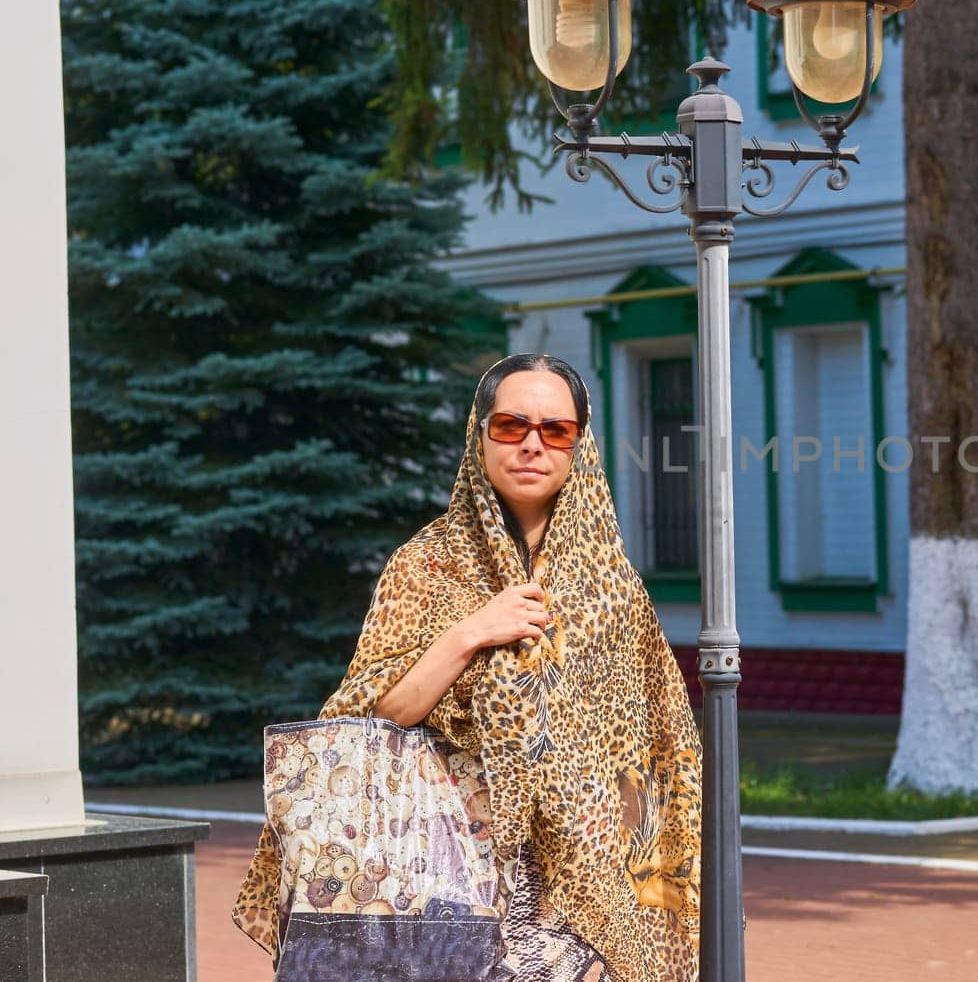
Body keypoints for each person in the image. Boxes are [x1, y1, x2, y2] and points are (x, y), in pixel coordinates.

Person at [232, 353, 702, 981]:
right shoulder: (426, 565)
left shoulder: (612, 585)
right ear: (478, 437)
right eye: (511, 426)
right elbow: (376, 717)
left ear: (578, 447)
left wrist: (656, 901)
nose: (532, 445)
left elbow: (655, 751)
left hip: (581, 887)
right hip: (448, 868)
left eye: (554, 430)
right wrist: (470, 633)